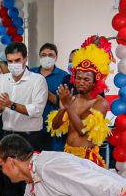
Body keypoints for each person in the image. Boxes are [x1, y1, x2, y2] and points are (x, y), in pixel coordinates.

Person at [0, 42, 48, 196]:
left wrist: (11, 105)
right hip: (8, 136)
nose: (14, 64)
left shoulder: (37, 80)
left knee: (31, 185)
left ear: (25, 59)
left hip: (29, 137)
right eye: (10, 61)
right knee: (9, 184)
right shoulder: (4, 81)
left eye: (17, 61)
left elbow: (36, 110)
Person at [47, 36, 112, 167]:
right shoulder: (72, 98)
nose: (81, 82)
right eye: (78, 78)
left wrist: (68, 106)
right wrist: (64, 108)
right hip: (67, 154)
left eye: (86, 79)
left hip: (86, 159)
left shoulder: (100, 103)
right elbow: (55, 126)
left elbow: (83, 131)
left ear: (95, 82)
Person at [32, 43, 70, 151]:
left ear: (56, 57)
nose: (46, 57)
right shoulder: (31, 73)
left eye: (50, 55)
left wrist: (46, 93)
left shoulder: (64, 76)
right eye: (43, 55)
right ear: (39, 56)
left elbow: (64, 103)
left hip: (54, 127)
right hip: (32, 125)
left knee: (53, 161)